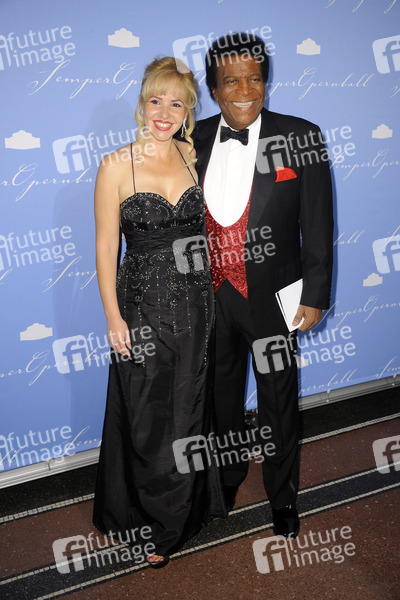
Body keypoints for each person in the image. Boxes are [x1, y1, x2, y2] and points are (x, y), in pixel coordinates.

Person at [194, 33, 333, 538]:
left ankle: (283, 496)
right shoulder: (192, 139)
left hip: (275, 298)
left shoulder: (301, 135)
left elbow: (318, 222)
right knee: (221, 399)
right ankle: (227, 480)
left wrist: (315, 294)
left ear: (266, 82)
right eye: (231, 81)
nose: (245, 90)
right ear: (214, 89)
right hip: (211, 297)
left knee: (278, 400)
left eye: (254, 78)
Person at [92, 56, 227, 568]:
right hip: (141, 307)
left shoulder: (194, 157)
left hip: (197, 304)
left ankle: (187, 510)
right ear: (141, 105)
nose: (164, 113)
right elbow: (107, 247)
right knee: (148, 413)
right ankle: (148, 523)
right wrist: (113, 317)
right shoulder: (115, 166)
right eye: (156, 100)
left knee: (190, 403)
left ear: (189, 111)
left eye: (177, 103)